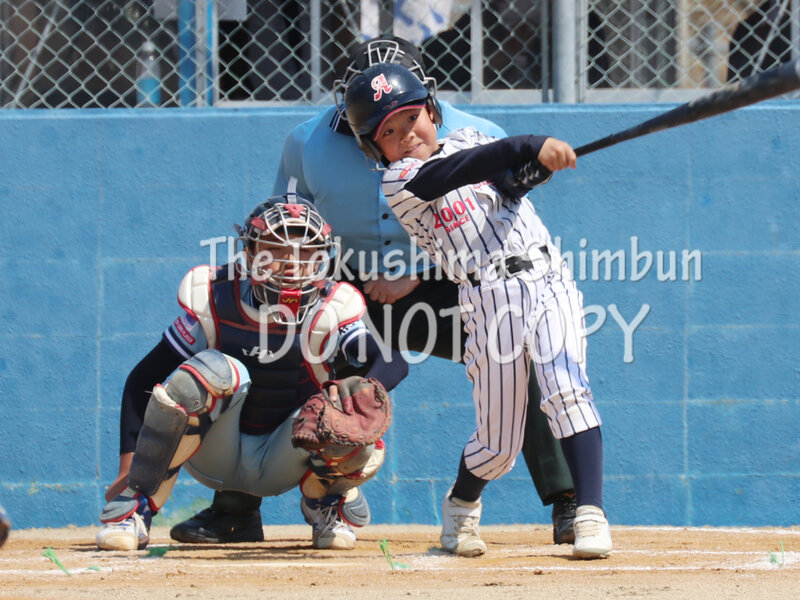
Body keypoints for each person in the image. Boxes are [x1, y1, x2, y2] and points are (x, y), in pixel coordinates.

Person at [168, 36, 578, 547]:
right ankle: (238, 508)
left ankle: (569, 501)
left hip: (447, 283)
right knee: (272, 346)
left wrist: (418, 270)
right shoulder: (306, 142)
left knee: (517, 353)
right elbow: (285, 231)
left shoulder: (478, 135)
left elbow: (496, 230)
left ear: (426, 95)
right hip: (348, 287)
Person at [342, 62, 612, 559]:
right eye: (388, 133)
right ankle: (462, 502)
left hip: (548, 278)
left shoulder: (468, 137)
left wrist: (530, 172)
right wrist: (531, 145)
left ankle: (590, 513)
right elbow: (462, 170)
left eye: (411, 118)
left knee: (567, 389)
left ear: (431, 110)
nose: (406, 136)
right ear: (374, 148)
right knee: (498, 444)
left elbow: (504, 181)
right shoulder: (400, 181)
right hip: (488, 301)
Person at [96, 198, 406, 551]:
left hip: (286, 458)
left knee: (345, 407)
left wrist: (361, 390)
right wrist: (129, 468)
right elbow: (142, 379)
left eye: (305, 251)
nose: (292, 262)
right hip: (214, 454)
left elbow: (391, 360)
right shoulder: (214, 295)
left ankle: (326, 502)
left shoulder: (332, 305)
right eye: (277, 248)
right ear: (249, 252)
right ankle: (136, 507)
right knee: (212, 371)